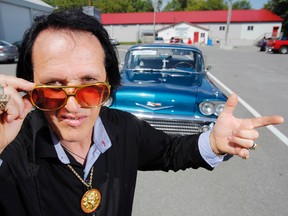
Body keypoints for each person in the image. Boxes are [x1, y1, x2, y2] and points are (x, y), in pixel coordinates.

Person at [0, 8, 284, 216]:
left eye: (90, 87)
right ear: (30, 87)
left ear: (109, 85)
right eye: (53, 88)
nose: (72, 106)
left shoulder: (124, 128)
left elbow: (170, 151)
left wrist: (212, 142)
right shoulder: (11, 148)